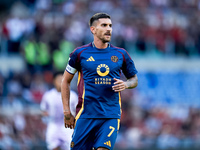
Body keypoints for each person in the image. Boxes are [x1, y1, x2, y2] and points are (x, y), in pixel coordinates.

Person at [61, 13, 138, 150]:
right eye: (104, 25)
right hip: (86, 114)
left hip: (110, 114)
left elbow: (134, 79)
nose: (109, 29)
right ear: (93, 30)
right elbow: (65, 81)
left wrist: (126, 84)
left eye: (110, 26)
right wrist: (67, 112)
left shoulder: (121, 54)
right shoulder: (79, 53)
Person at [40, 72, 78, 150]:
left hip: (68, 128)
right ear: (54, 81)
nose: (61, 82)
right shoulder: (48, 96)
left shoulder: (73, 95)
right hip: (53, 126)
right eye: (59, 80)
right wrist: (45, 115)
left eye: (63, 80)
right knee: (53, 147)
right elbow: (43, 111)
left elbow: (78, 111)